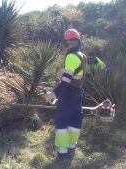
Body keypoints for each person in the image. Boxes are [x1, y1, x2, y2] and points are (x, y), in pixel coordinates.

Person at [43, 29, 87, 160]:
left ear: (68, 42)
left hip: (68, 94)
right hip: (78, 94)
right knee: (75, 121)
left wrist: (53, 94)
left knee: (61, 122)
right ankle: (71, 148)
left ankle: (62, 154)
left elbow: (66, 80)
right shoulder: (83, 56)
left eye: (67, 43)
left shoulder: (71, 56)